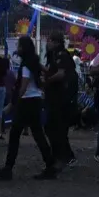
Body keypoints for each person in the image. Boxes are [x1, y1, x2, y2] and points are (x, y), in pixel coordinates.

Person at [0, 36, 55, 182]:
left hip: (27, 102)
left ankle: (8, 168)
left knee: (15, 134)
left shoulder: (26, 65)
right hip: (36, 100)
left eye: (19, 46)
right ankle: (50, 165)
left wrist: (13, 103)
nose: (17, 49)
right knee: (38, 134)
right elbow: (46, 71)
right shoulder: (34, 62)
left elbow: (23, 86)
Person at [42, 30, 78, 170]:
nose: (47, 43)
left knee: (57, 129)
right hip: (54, 97)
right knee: (53, 128)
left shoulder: (62, 55)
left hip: (61, 98)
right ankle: (64, 156)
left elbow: (61, 74)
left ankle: (62, 157)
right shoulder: (53, 56)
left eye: (49, 40)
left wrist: (47, 81)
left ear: (56, 42)